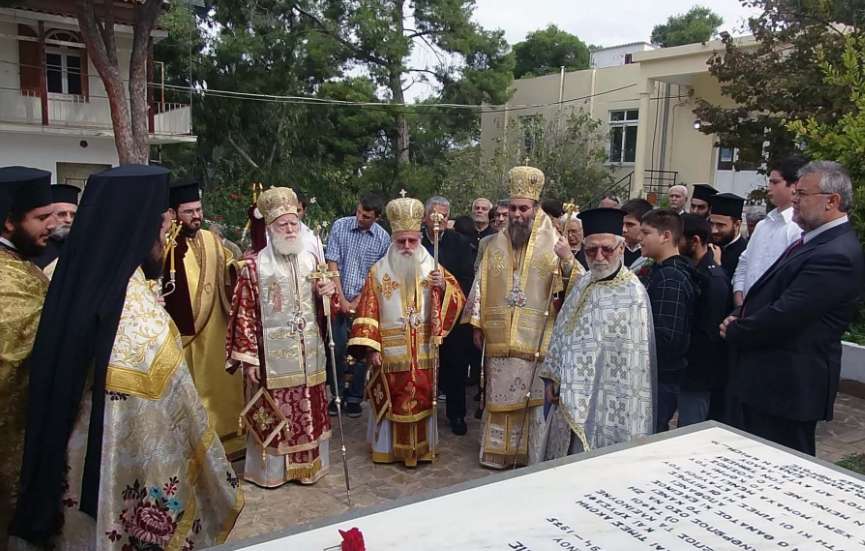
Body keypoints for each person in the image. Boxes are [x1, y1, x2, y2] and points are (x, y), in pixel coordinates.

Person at [11, 165, 242, 550]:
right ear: (140, 230)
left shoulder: (72, 278)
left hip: (67, 477)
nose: (164, 243)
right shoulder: (140, 323)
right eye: (162, 232)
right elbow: (172, 425)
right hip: (117, 491)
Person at [722, 161, 865, 454]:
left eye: (802, 194)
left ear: (832, 201)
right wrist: (739, 313)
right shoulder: (813, 241)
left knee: (778, 467)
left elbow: (787, 314)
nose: (795, 200)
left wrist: (737, 329)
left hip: (788, 386)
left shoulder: (835, 254)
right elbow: (769, 291)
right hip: (769, 382)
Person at [466, 164, 576, 469]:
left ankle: (529, 456)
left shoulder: (554, 242)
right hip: (499, 336)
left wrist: (568, 259)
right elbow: (480, 283)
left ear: (535, 208)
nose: (516, 215)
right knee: (499, 395)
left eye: (523, 208)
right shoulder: (496, 244)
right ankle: (498, 454)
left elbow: (575, 287)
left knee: (532, 400)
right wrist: (476, 323)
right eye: (513, 208)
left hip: (536, 337)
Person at [225, 187, 333, 487]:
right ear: (270, 228)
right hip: (272, 360)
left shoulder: (313, 261)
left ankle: (309, 466)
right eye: (282, 224)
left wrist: (327, 295)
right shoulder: (253, 266)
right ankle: (273, 472)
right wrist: (248, 359)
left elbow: (327, 308)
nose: (289, 229)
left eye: (293, 223)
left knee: (308, 408)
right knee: (277, 413)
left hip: (310, 355)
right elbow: (243, 314)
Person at [348, 195, 465, 467]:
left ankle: (421, 449)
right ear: (393, 240)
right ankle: (388, 450)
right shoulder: (378, 272)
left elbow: (457, 297)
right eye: (401, 241)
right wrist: (371, 348)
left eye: (412, 241)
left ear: (420, 239)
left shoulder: (433, 267)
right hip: (390, 354)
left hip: (423, 352)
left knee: (422, 398)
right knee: (393, 399)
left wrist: (443, 287)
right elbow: (368, 311)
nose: (408, 247)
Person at [541, 207, 655, 457]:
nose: (599, 257)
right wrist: (553, 377)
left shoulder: (632, 294)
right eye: (591, 250)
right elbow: (562, 332)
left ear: (621, 248)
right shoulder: (585, 281)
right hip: (567, 394)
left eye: (607, 249)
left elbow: (630, 360)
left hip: (608, 398)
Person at [162, 179, 244, 456]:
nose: (196, 216)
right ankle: (203, 450)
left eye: (198, 210)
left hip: (218, 326)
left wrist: (239, 269)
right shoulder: (166, 245)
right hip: (188, 335)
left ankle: (232, 440)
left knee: (225, 386)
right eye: (189, 211)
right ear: (173, 213)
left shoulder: (211, 239)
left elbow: (230, 268)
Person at [0, 166, 54, 545]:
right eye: (41, 217)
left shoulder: (19, 263)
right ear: (9, 222)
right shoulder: (6, 279)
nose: (52, 225)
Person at [325, 193, 390, 417]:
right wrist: (341, 298)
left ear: (377, 218)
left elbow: (377, 274)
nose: (360, 218)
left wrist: (358, 301)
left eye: (367, 216)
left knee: (361, 349)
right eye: (359, 212)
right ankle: (336, 395)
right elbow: (332, 262)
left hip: (365, 301)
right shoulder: (340, 226)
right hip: (338, 296)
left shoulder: (382, 238)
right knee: (337, 348)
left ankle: (355, 397)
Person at [420, 197, 474, 435]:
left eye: (442, 215)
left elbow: (468, 280)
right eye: (433, 215)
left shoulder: (460, 243)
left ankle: (456, 414)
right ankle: (421, 412)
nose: (438, 220)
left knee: (455, 365)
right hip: (422, 313)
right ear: (425, 217)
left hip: (452, 316)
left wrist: (446, 284)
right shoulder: (416, 242)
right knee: (424, 365)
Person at [640, 209, 697, 433]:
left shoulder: (670, 277)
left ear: (665, 236)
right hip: (657, 376)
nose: (640, 238)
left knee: (648, 434)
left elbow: (667, 337)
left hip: (660, 377)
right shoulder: (661, 271)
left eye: (646, 233)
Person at [678, 214, 732, 426]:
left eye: (678, 239)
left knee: (690, 429)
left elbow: (710, 333)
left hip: (699, 374)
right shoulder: (693, 270)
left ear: (695, 241)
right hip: (687, 370)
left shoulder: (713, 279)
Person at [732, 156, 806, 306]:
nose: (769, 187)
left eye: (775, 182)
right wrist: (739, 297)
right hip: (745, 310)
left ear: (794, 186)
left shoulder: (798, 228)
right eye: (769, 181)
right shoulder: (762, 225)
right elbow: (744, 263)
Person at [32, 183, 79, 273]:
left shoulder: (82, 246)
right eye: (62, 214)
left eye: (73, 215)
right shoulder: (32, 248)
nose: (68, 220)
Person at [708, 192, 747, 280]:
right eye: (711, 224)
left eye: (720, 225)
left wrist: (717, 265)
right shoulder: (707, 245)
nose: (714, 230)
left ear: (737, 225)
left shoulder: (745, 253)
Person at [620, 198, 653, 270]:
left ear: (645, 225)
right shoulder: (614, 248)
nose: (623, 229)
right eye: (621, 224)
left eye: (630, 224)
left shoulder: (653, 254)